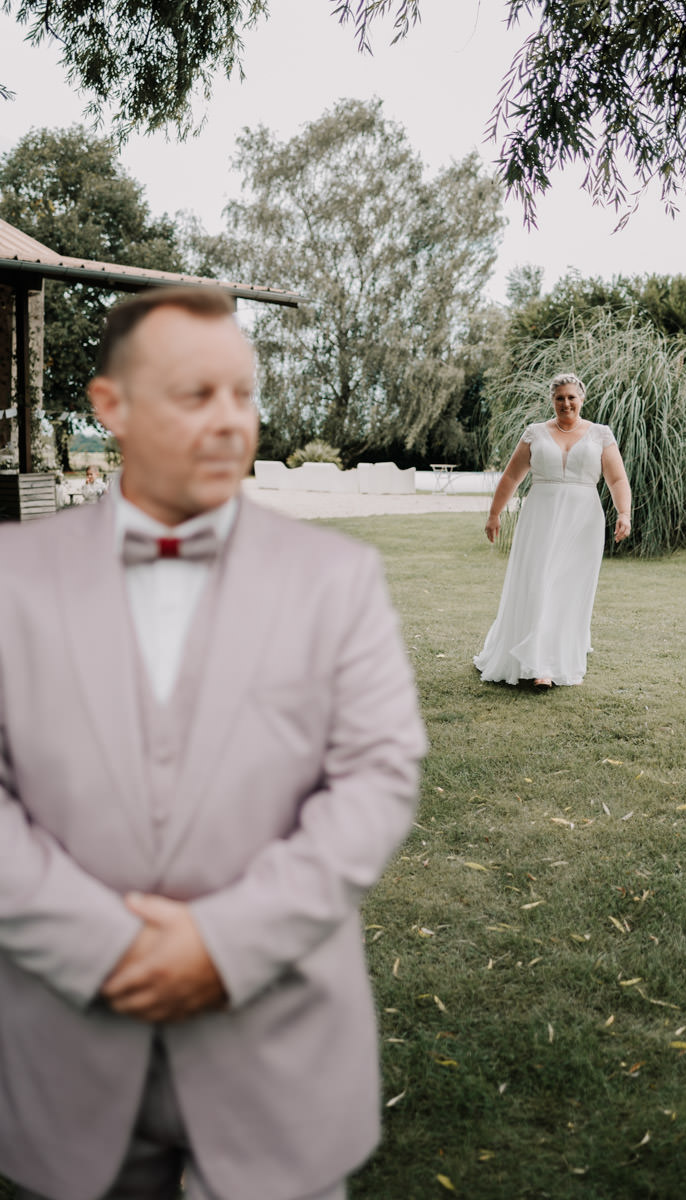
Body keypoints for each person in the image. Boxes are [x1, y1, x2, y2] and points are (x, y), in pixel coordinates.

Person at [0, 286, 426, 1200]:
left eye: (244, 393)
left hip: (278, 1048)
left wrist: (222, 945)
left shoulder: (338, 580)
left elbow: (377, 781)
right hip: (64, 1052)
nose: (233, 422)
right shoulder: (11, 577)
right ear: (108, 406)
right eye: (197, 395)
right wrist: (100, 945)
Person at [474, 373, 631, 688]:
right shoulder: (535, 433)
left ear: (581, 399)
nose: (566, 403)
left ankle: (557, 657)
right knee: (539, 581)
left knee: (569, 587)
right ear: (552, 400)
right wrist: (494, 514)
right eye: (559, 397)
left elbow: (616, 479)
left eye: (571, 397)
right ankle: (537, 663)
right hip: (541, 517)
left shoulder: (601, 434)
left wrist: (623, 512)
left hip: (583, 519)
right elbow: (510, 478)